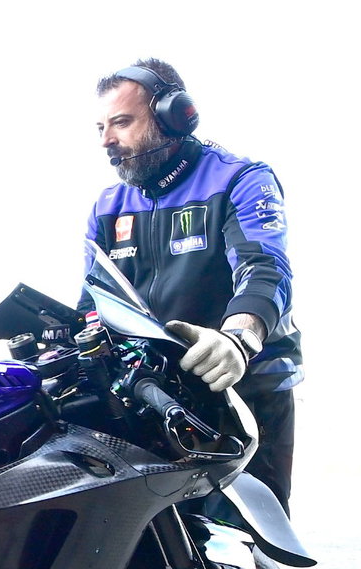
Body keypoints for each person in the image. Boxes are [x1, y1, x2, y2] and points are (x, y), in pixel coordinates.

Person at [78, 59, 298, 510]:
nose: (106, 141)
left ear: (175, 116)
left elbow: (265, 268)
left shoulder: (241, 178)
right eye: (100, 126)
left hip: (244, 392)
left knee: (243, 552)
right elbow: (92, 302)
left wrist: (239, 338)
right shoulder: (106, 206)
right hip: (157, 395)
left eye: (121, 122)